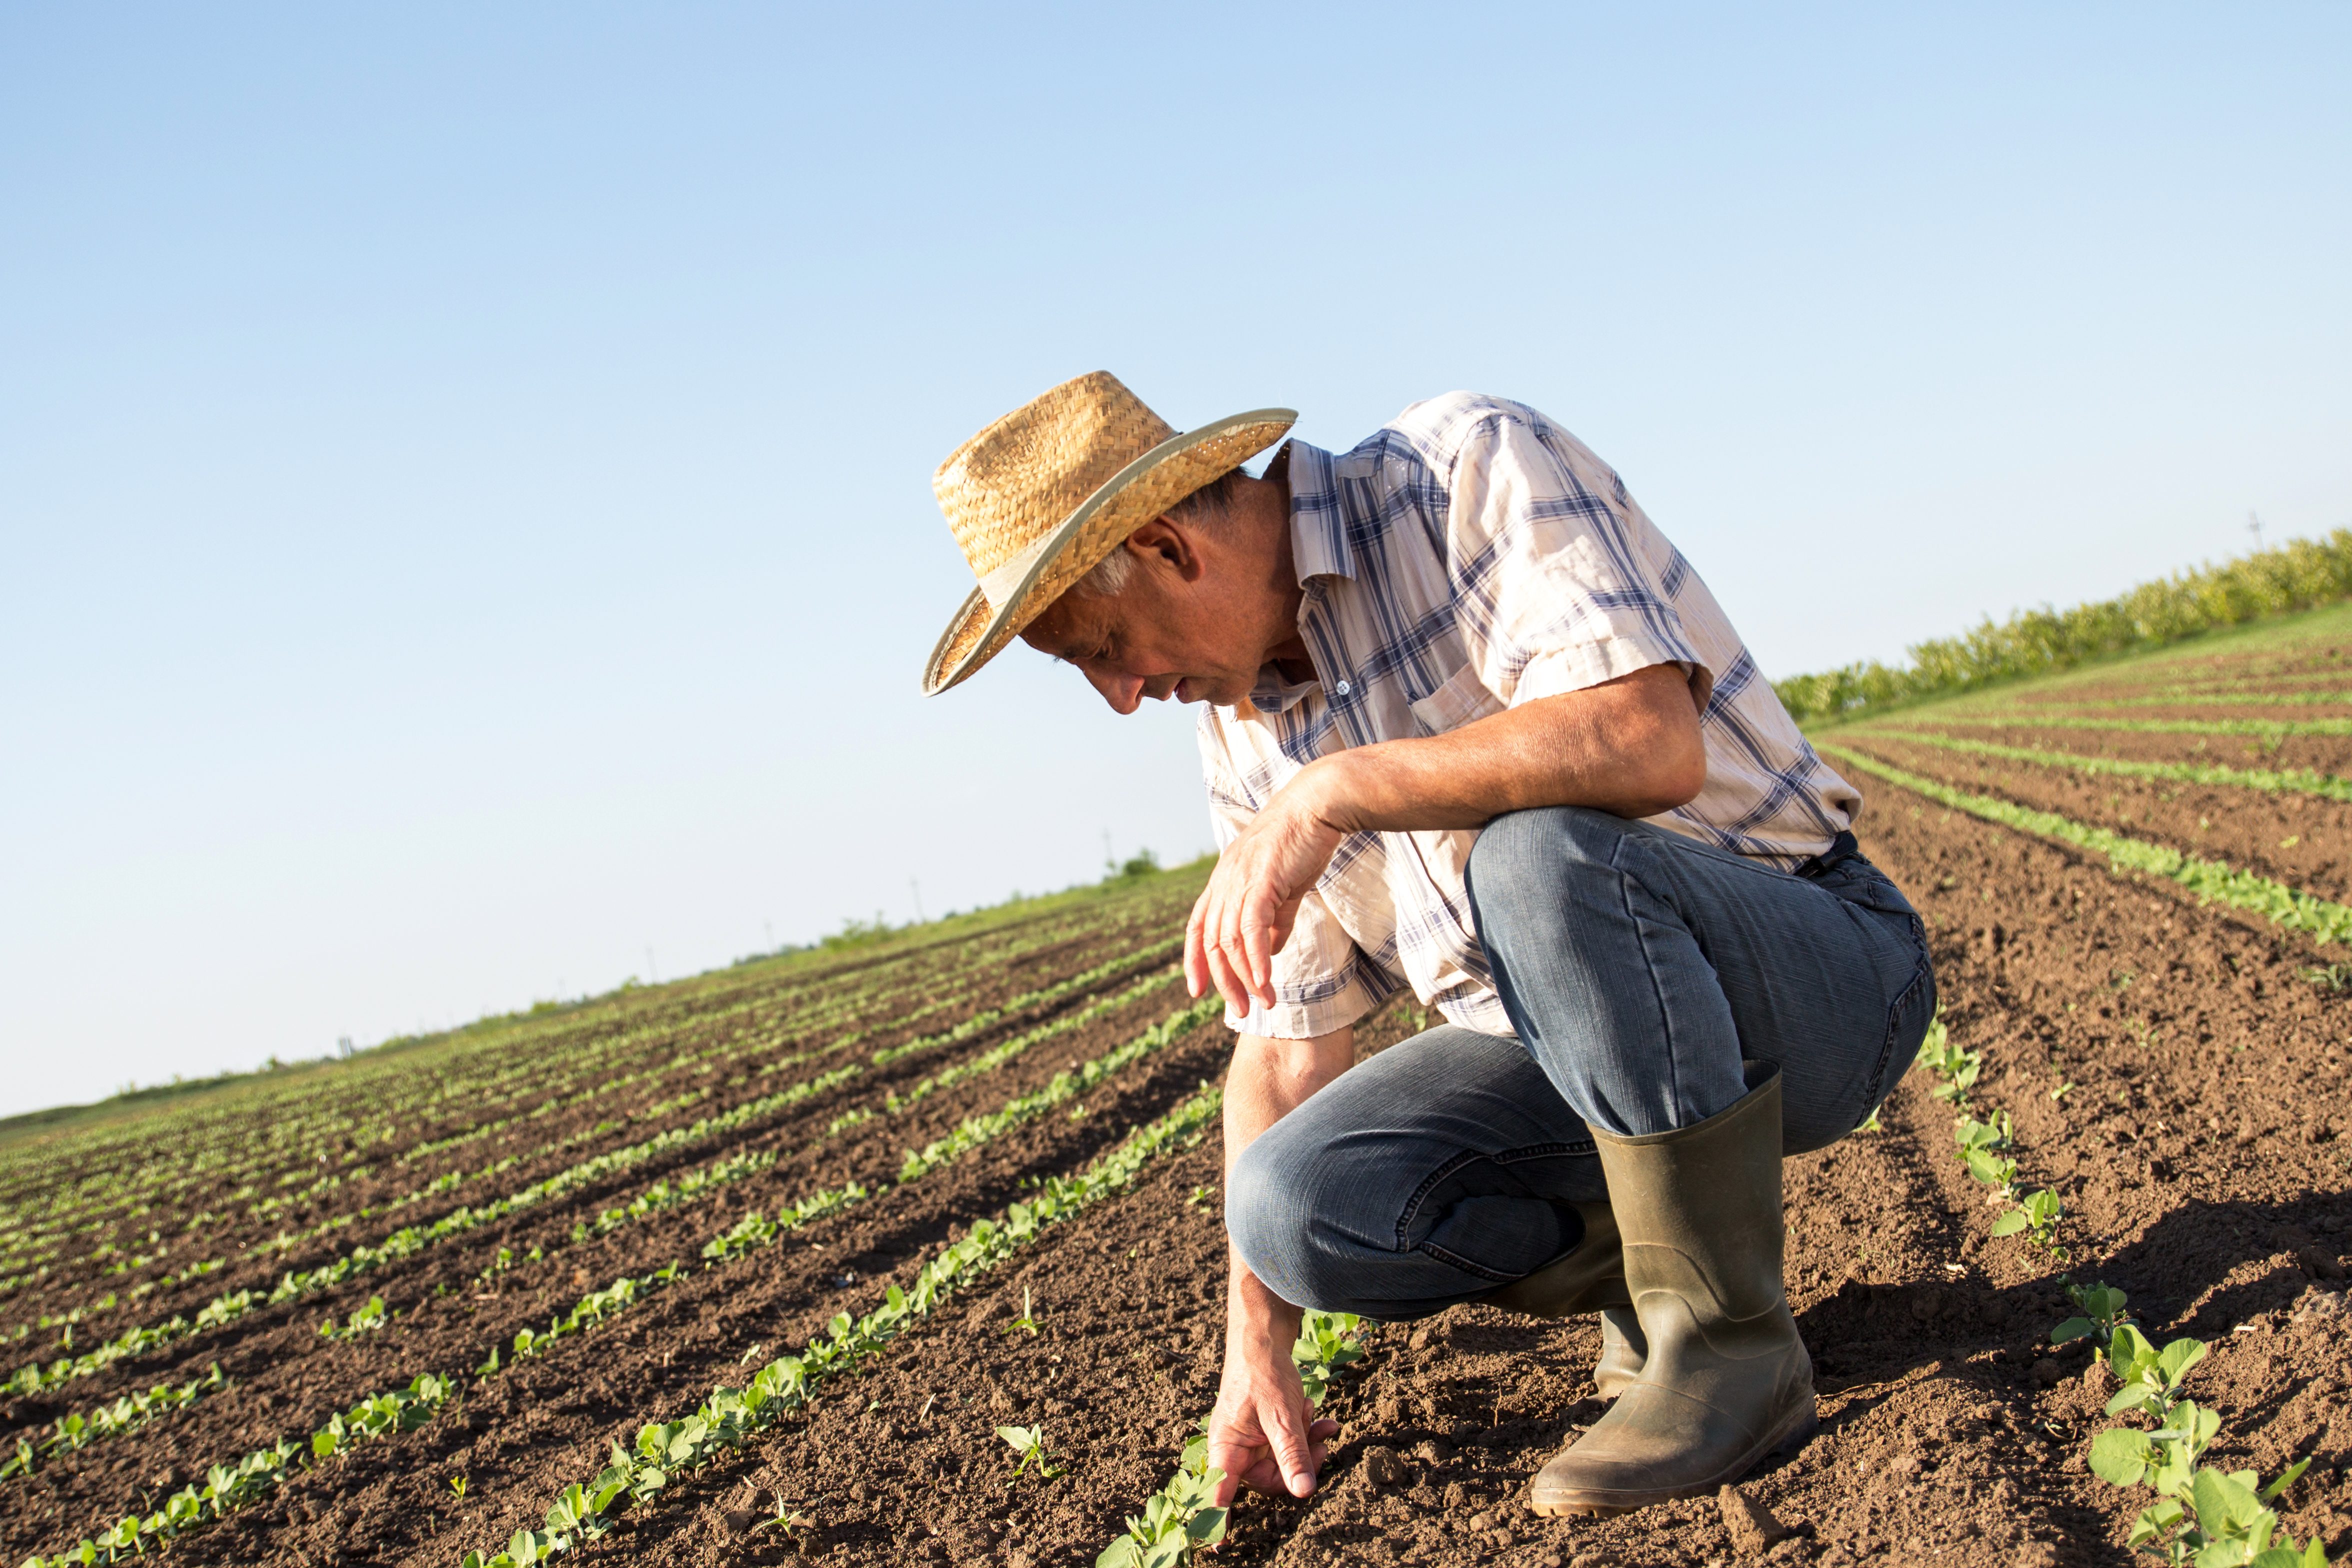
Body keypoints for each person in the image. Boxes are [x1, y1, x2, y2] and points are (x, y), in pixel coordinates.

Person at [919, 371, 1935, 1517]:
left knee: (1535, 853)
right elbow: (1284, 1039)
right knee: (1290, 1199)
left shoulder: (1459, 474)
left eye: (1102, 646)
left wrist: (1337, 791)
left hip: (1820, 971)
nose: (1119, 695)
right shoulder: (1240, 732)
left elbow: (1648, 738)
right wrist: (1253, 1349)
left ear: (1166, 547)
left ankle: (1729, 1342)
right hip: (1568, 1053)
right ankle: (1659, 1277)